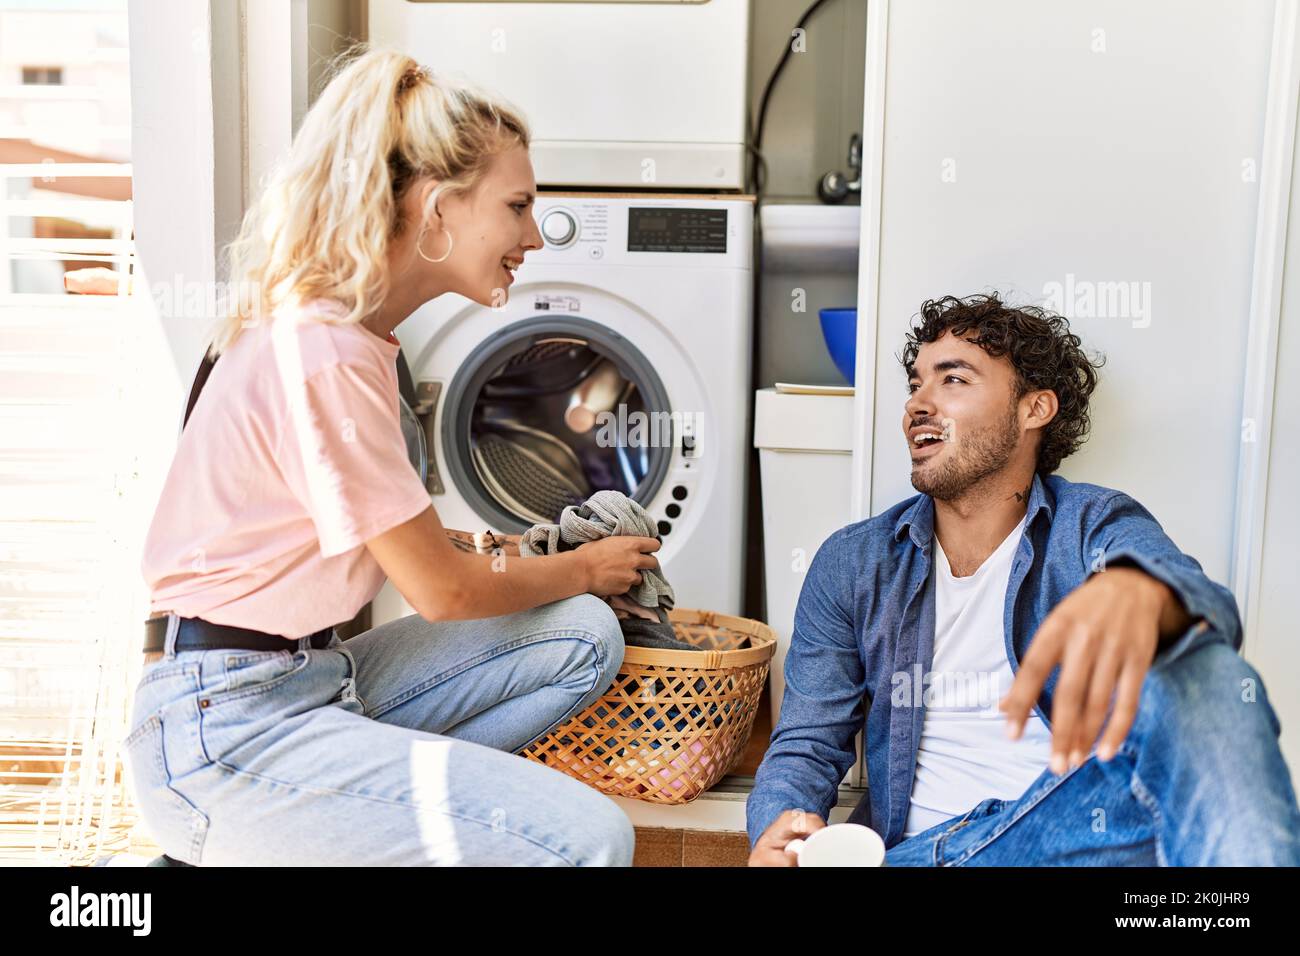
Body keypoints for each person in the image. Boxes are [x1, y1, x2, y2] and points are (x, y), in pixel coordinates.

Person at [125, 46, 662, 866]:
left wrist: (523, 561)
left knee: (582, 637)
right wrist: (584, 566)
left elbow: (381, 548)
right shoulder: (325, 351)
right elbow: (441, 593)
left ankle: (364, 826)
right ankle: (299, 826)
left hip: (311, 681)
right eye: (516, 207)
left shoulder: (358, 340)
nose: (532, 236)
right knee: (589, 837)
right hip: (223, 731)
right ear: (441, 209)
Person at [747, 292, 1300, 866]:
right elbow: (807, 744)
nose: (917, 404)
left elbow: (1210, 610)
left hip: (1066, 831)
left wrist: (1146, 591)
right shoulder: (853, 561)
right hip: (924, 853)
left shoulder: (1093, 526)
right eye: (916, 384)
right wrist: (776, 830)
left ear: (1035, 409)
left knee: (1204, 669)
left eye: (953, 379)